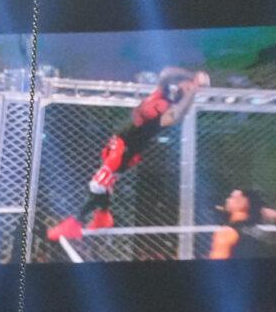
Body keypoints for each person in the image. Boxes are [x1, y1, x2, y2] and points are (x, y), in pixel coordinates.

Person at [47, 67, 208, 246]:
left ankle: (76, 223)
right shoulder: (162, 94)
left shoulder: (170, 112)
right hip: (119, 144)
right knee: (104, 186)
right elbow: (166, 74)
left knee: (98, 185)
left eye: (188, 87)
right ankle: (102, 216)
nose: (185, 85)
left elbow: (179, 112)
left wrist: (192, 91)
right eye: (186, 84)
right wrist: (192, 77)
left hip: (125, 150)